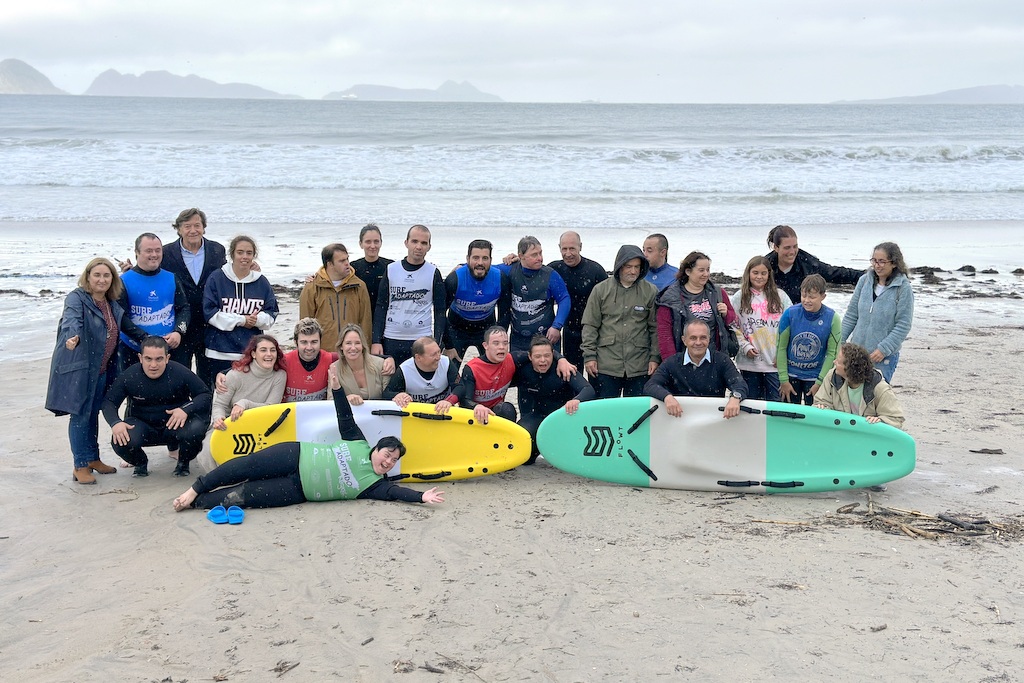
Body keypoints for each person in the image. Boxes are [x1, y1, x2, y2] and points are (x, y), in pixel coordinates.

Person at [171, 376, 444, 511]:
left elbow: (397, 493)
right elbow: (345, 416)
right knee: (245, 466)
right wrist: (337, 389)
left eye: (393, 461)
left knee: (244, 496)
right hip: (295, 455)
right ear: (376, 448)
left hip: (296, 490)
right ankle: (196, 488)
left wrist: (421, 497)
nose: (388, 461)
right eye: (387, 454)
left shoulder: (375, 486)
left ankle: (196, 503)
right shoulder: (358, 442)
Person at [45, 258, 146, 485]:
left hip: (101, 369)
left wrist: (149, 340)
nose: (102, 279)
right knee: (81, 415)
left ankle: (93, 458)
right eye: (97, 275)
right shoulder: (77, 298)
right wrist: (72, 336)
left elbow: (127, 326)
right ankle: (80, 465)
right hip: (80, 369)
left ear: (112, 279)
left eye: (106, 275)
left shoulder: (111, 303)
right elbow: (72, 320)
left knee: (93, 413)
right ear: (88, 277)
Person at [101, 336, 212, 477]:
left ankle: (183, 463)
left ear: (167, 358)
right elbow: (109, 402)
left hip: (174, 425)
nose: (153, 365)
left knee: (196, 429)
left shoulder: (180, 372)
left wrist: (185, 410)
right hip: (142, 425)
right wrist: (115, 422)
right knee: (120, 438)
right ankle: (140, 463)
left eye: (159, 359)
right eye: (148, 359)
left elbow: (205, 395)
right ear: (140, 358)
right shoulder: (130, 376)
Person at [581, 244, 659, 398]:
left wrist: (654, 358)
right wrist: (589, 356)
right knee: (605, 409)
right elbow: (590, 325)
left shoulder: (650, 291)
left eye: (637, 267)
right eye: (628, 266)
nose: (633, 271)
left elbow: (655, 328)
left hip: (639, 365)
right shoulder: (600, 290)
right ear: (619, 266)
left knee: (637, 410)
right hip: (606, 364)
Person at [161, 208, 228, 384]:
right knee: (179, 372)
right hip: (180, 322)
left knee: (208, 375)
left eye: (197, 225)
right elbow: (153, 273)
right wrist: (132, 270)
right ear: (179, 229)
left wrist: (250, 268)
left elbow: (227, 276)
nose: (193, 230)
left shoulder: (217, 250)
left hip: (210, 321)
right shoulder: (166, 252)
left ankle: (205, 402)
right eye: (187, 226)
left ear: (204, 227)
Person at [457, 326, 575, 425]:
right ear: (485, 345)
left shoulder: (512, 359)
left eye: (505, 343)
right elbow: (464, 400)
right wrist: (476, 407)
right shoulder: (472, 368)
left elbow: (540, 352)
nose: (501, 347)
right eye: (496, 343)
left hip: (496, 412)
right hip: (473, 415)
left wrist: (561, 359)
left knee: (506, 409)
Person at [203, 234, 278, 387]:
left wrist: (256, 320)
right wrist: (242, 320)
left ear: (254, 256)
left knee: (248, 394)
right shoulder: (217, 278)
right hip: (219, 351)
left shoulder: (261, 282)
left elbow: (272, 313)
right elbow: (209, 313)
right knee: (221, 394)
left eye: (249, 253)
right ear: (232, 254)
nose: (244, 257)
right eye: (240, 252)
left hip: (250, 352)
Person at [513, 335, 595, 463]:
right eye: (538, 356)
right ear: (530, 356)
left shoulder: (563, 369)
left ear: (553, 354)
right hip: (539, 416)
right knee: (525, 455)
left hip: (564, 417)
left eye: (547, 356)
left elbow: (588, 390)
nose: (543, 360)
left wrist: (576, 400)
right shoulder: (523, 369)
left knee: (567, 460)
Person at [371, 225, 446, 365]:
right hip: (391, 338)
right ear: (406, 243)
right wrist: (376, 340)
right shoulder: (392, 269)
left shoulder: (433, 272)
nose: (419, 247)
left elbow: (440, 311)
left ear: (429, 247)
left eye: (424, 243)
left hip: (421, 339)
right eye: (414, 241)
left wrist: (437, 342)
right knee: (391, 377)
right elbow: (381, 306)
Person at [841, 242, 914, 383]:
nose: (877, 265)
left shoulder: (903, 288)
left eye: (882, 261)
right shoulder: (864, 281)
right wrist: (841, 342)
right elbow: (851, 315)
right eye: (874, 261)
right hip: (857, 353)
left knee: (875, 394)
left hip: (883, 358)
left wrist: (884, 349)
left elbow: (903, 324)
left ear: (894, 263)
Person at [644, 320, 748, 419]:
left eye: (703, 337)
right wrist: (667, 397)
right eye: (693, 338)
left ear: (709, 339)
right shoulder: (672, 363)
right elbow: (651, 385)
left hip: (714, 419)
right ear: (684, 340)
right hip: (679, 419)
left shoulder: (722, 360)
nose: (698, 342)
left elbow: (740, 384)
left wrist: (735, 398)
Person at [117, 232, 190, 369]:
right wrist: (145, 338)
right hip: (133, 349)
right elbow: (120, 317)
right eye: (149, 251)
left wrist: (179, 332)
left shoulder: (171, 278)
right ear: (137, 252)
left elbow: (184, 308)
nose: (154, 254)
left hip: (169, 348)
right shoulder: (123, 281)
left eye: (158, 250)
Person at [729, 256, 793, 401]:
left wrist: (782, 354)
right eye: (755, 273)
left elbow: (790, 326)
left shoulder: (781, 296)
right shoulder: (739, 297)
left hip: (774, 363)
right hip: (749, 363)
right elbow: (733, 326)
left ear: (769, 274)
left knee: (775, 404)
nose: (759, 277)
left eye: (763, 273)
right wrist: (745, 346)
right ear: (748, 273)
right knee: (751, 404)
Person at [655, 250, 738, 361]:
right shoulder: (670, 297)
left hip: (715, 358)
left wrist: (726, 313)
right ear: (688, 271)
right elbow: (664, 334)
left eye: (708, 270)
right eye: (701, 270)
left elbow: (732, 320)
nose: (706, 274)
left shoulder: (718, 293)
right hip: (684, 359)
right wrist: (671, 363)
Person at [497, 236, 571, 354]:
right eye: (534, 255)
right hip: (518, 338)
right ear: (521, 256)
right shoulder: (510, 270)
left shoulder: (550, 275)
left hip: (546, 337)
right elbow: (485, 268)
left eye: (540, 253)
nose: (540, 258)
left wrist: (557, 326)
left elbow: (564, 299)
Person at [776, 274, 841, 406]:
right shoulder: (790, 314)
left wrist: (820, 382)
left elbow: (832, 353)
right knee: (789, 414)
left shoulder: (832, 318)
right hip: (791, 376)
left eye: (812, 297)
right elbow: (780, 348)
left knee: (815, 414)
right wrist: (783, 380)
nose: (806, 300)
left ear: (823, 296)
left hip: (815, 377)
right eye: (804, 295)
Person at [443, 239, 511, 363]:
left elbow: (505, 315)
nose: (480, 263)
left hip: (486, 329)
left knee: (493, 369)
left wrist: (499, 341)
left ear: (491, 260)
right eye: (475, 258)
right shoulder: (455, 279)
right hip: (456, 329)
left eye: (485, 258)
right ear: (467, 259)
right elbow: (440, 313)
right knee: (449, 370)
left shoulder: (500, 279)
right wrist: (448, 345)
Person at [547, 231, 608, 367]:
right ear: (559, 248)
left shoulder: (595, 270)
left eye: (572, 248)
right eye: (564, 249)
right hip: (569, 330)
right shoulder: (554, 269)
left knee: (595, 372)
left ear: (580, 247)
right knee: (572, 373)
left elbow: (609, 301)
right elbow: (532, 270)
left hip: (594, 330)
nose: (568, 253)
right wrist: (516, 261)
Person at [299, 242, 372, 353]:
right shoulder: (312, 288)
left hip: (351, 352)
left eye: (347, 259)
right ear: (330, 264)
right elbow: (305, 326)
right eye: (342, 261)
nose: (347, 263)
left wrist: (366, 351)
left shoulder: (359, 286)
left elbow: (365, 322)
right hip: (323, 353)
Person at [814, 343, 905, 429]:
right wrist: (821, 407)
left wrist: (881, 421)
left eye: (838, 361)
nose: (834, 362)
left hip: (866, 436)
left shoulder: (880, 388)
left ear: (848, 368)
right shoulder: (832, 377)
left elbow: (896, 419)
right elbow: (821, 402)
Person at [765, 225, 862, 304]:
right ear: (776, 247)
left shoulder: (808, 263)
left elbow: (835, 273)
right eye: (787, 248)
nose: (792, 252)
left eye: (795, 247)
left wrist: (864, 276)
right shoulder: (766, 266)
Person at [211, 334, 287, 431]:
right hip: (228, 425)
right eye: (263, 350)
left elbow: (271, 408)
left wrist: (245, 404)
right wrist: (218, 418)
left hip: (261, 426)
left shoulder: (280, 376)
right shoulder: (235, 375)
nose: (269, 354)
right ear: (253, 354)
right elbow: (220, 404)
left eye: (272, 350)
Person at [383, 336, 460, 413]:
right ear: (418, 357)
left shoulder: (446, 363)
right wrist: (397, 395)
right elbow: (386, 393)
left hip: (442, 411)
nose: (438, 357)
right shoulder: (405, 370)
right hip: (416, 414)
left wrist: (449, 401)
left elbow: (460, 387)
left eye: (439, 352)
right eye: (433, 355)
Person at [334, 323, 395, 404]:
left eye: (357, 343)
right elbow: (330, 401)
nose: (353, 348)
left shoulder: (381, 364)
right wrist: (345, 399)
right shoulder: (334, 368)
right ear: (341, 346)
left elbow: (389, 397)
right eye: (348, 343)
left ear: (363, 345)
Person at [350, 223, 393, 318]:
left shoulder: (390, 266)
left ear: (381, 243)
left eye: (376, 241)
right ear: (361, 244)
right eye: (368, 242)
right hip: (361, 316)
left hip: (385, 317)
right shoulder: (353, 268)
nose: (372, 246)